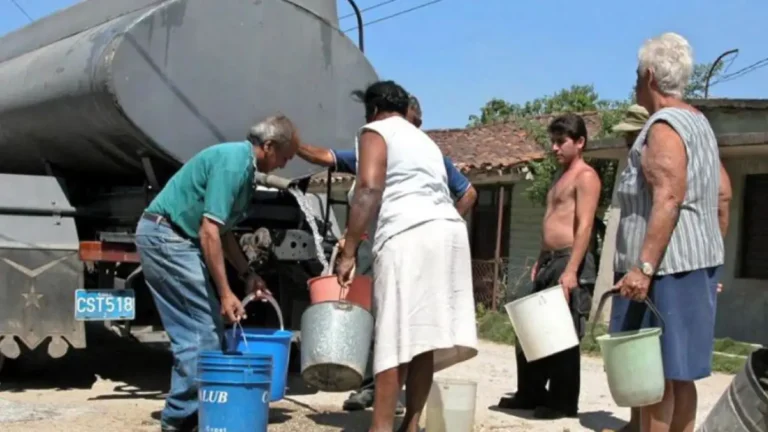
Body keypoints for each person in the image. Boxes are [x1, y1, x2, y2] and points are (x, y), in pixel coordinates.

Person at [297, 95, 478, 414]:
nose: (413, 126)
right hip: (372, 242)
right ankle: (369, 386)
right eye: (411, 118)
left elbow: (468, 193)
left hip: (401, 243)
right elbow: (329, 157)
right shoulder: (377, 146)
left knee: (398, 333)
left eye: (418, 122)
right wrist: (294, 145)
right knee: (372, 321)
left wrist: (429, 227)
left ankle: (381, 403)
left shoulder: (427, 153)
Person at [134, 115, 299, 432]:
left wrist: (247, 273)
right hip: (168, 239)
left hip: (174, 239)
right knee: (201, 335)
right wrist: (226, 293)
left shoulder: (243, 167)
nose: (284, 164)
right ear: (268, 146)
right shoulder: (233, 164)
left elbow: (223, 233)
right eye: (285, 156)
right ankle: (180, 419)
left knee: (206, 329)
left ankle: (195, 413)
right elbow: (209, 231)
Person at [610, 32, 723, 432]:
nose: (636, 83)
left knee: (651, 375)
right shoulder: (700, 124)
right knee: (680, 373)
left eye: (638, 76)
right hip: (693, 263)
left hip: (664, 269)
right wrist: (713, 261)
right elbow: (722, 195)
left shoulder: (663, 126)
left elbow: (668, 198)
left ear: (651, 76)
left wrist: (643, 267)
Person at [497, 113, 601, 419]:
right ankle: (529, 393)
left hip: (571, 261)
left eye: (561, 142)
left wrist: (571, 270)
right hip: (551, 261)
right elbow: (552, 220)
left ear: (579, 142)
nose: (554, 148)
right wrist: (541, 259)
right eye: (552, 142)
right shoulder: (560, 177)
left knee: (562, 334)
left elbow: (584, 227)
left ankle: (562, 403)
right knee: (531, 328)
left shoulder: (586, 177)